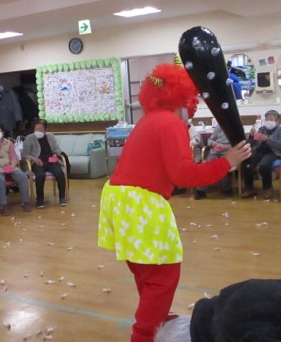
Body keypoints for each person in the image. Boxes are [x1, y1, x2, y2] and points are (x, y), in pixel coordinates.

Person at [97, 63, 251, 342]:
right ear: (183, 97)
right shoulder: (170, 123)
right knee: (163, 275)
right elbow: (183, 175)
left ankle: (157, 316)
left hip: (119, 199)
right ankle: (144, 334)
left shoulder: (150, 120)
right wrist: (227, 162)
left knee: (145, 269)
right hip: (139, 202)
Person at [0, 123, 31, 214]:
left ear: (3, 132)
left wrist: (13, 165)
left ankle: (25, 202)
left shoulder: (9, 143)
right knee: (0, 179)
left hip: (8, 166)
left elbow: (13, 157)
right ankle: (3, 205)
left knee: (23, 176)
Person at [241, 110, 281, 200]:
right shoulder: (262, 129)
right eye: (267, 119)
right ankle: (249, 189)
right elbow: (250, 143)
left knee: (263, 165)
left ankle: (267, 188)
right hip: (259, 151)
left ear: (277, 121)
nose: (268, 121)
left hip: (273, 152)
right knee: (246, 163)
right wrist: (251, 136)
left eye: (271, 119)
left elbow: (280, 144)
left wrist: (267, 139)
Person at [22, 119, 67, 209]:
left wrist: (55, 154)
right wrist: (34, 159)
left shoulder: (50, 136)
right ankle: (40, 200)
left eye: (40, 129)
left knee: (59, 173)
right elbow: (24, 154)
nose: (38, 131)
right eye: (36, 129)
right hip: (38, 162)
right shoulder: (29, 138)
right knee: (40, 175)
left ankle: (62, 197)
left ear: (45, 129)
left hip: (51, 160)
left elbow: (57, 149)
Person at [194, 124, 233, 199]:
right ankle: (201, 191)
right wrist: (213, 144)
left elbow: (238, 144)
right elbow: (210, 140)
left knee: (224, 165)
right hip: (215, 151)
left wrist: (226, 147)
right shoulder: (219, 126)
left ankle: (226, 189)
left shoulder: (235, 127)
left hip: (227, 151)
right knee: (207, 167)